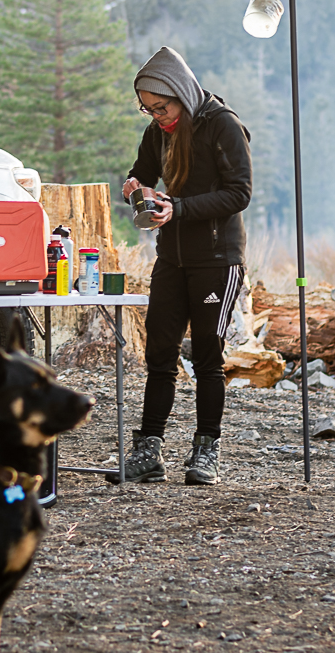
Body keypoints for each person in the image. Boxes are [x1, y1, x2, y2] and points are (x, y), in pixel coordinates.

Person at [119, 47, 252, 485]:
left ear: (181, 92)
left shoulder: (221, 125)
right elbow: (143, 172)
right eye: (148, 109)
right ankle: (148, 451)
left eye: (162, 106)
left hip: (217, 257)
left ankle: (206, 451)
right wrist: (135, 186)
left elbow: (239, 193)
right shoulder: (157, 134)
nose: (157, 116)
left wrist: (180, 208)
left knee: (208, 357)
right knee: (160, 352)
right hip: (171, 257)